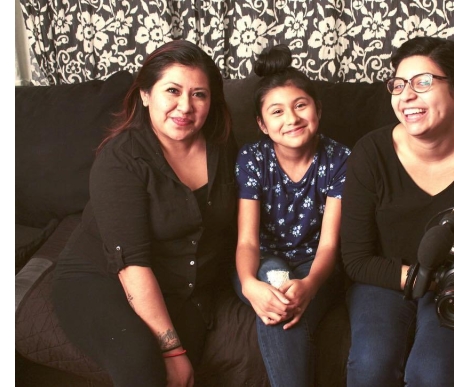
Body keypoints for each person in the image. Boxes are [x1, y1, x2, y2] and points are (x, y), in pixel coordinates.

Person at [51, 40, 238, 387]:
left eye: (199, 94)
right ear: (146, 94)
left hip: (179, 281)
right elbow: (131, 264)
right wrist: (172, 350)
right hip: (102, 277)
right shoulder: (120, 160)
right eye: (173, 90)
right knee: (143, 364)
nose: (185, 106)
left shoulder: (222, 145)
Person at [340, 36, 454, 386]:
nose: (406, 95)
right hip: (385, 280)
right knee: (370, 366)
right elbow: (357, 259)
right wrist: (424, 280)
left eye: (423, 82)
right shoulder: (370, 153)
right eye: (398, 84)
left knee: (432, 373)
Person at [232, 44, 351, 387]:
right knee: (273, 280)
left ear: (318, 109)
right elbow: (247, 240)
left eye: (301, 105)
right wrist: (250, 284)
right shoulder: (252, 158)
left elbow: (329, 245)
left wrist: (311, 286)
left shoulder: (340, 159)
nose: (292, 119)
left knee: (285, 305)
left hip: (317, 268)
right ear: (262, 124)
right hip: (262, 263)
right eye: (277, 112)